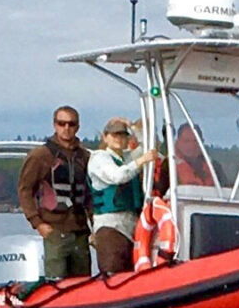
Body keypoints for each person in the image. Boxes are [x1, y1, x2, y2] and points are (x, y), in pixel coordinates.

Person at [17, 105, 91, 278]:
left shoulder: (85, 157)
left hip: (81, 232)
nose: (66, 128)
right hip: (55, 231)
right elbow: (25, 190)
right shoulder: (40, 155)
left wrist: (95, 227)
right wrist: (38, 223)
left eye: (71, 124)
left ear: (77, 127)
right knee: (56, 282)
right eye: (61, 123)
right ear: (54, 125)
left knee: (82, 283)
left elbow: (90, 195)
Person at [88, 117, 157, 273]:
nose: (119, 139)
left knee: (129, 274)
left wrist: (133, 127)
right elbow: (117, 176)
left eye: (123, 135)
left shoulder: (126, 158)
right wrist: (141, 161)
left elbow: (149, 149)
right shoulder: (99, 158)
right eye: (114, 135)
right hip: (110, 227)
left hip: (131, 227)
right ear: (105, 137)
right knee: (113, 273)